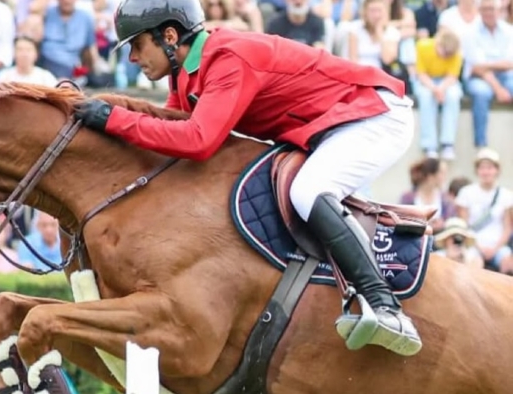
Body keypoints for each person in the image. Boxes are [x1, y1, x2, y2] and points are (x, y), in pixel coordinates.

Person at [72, 0, 421, 356]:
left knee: (308, 190)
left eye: (136, 44)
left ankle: (385, 306)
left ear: (170, 36)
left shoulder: (228, 59)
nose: (132, 57)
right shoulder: (186, 69)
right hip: (328, 127)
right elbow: (168, 129)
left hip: (371, 116)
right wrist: (110, 123)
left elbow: (198, 141)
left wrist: (113, 119)